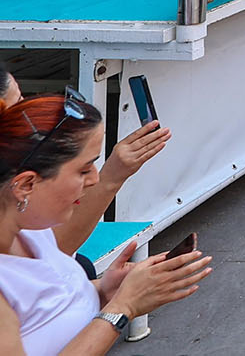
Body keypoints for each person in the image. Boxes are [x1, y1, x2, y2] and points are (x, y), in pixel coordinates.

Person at [0, 91, 210, 354]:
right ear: (26, 184)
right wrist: (123, 307)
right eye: (84, 170)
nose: (94, 179)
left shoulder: (27, 227)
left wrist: (104, 289)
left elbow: (49, 297)